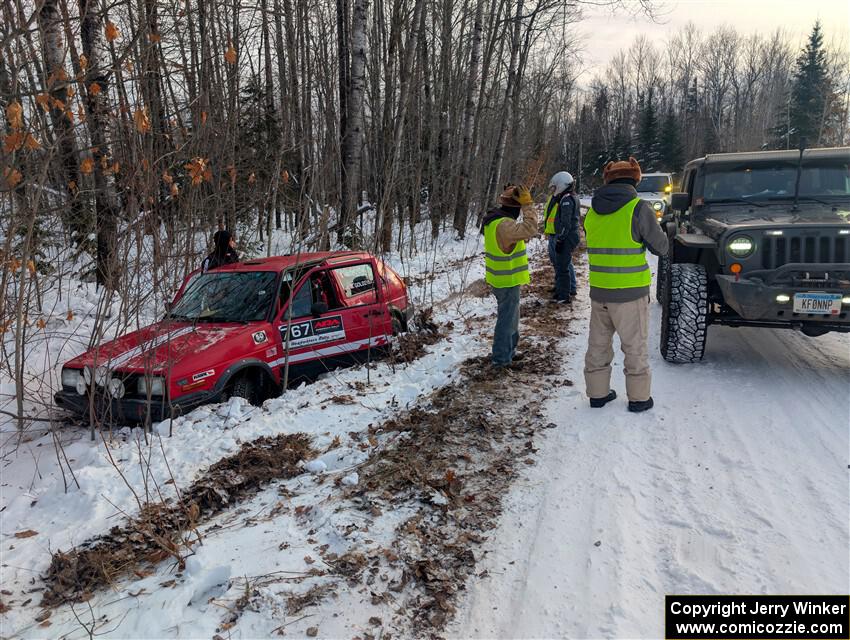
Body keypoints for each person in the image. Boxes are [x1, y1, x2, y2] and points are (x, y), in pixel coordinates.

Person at [583, 157, 669, 412]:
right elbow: (661, 247)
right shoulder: (638, 208)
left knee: (598, 345)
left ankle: (597, 394)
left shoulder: (592, 211)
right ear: (635, 180)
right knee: (634, 347)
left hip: (599, 292)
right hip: (630, 294)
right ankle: (639, 398)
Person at [481, 184, 538, 368]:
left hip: (502, 279)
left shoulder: (496, 220)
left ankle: (509, 352)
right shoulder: (504, 224)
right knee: (507, 320)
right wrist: (528, 205)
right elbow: (531, 228)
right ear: (515, 207)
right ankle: (501, 359)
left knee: (511, 318)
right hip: (506, 280)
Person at [543, 171, 581, 303]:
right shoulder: (564, 197)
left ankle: (564, 295)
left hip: (566, 236)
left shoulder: (566, 200)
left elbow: (566, 222)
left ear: (561, 185)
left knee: (563, 266)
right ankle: (562, 288)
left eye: (555, 186)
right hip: (563, 235)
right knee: (560, 264)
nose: (553, 190)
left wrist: (560, 239)